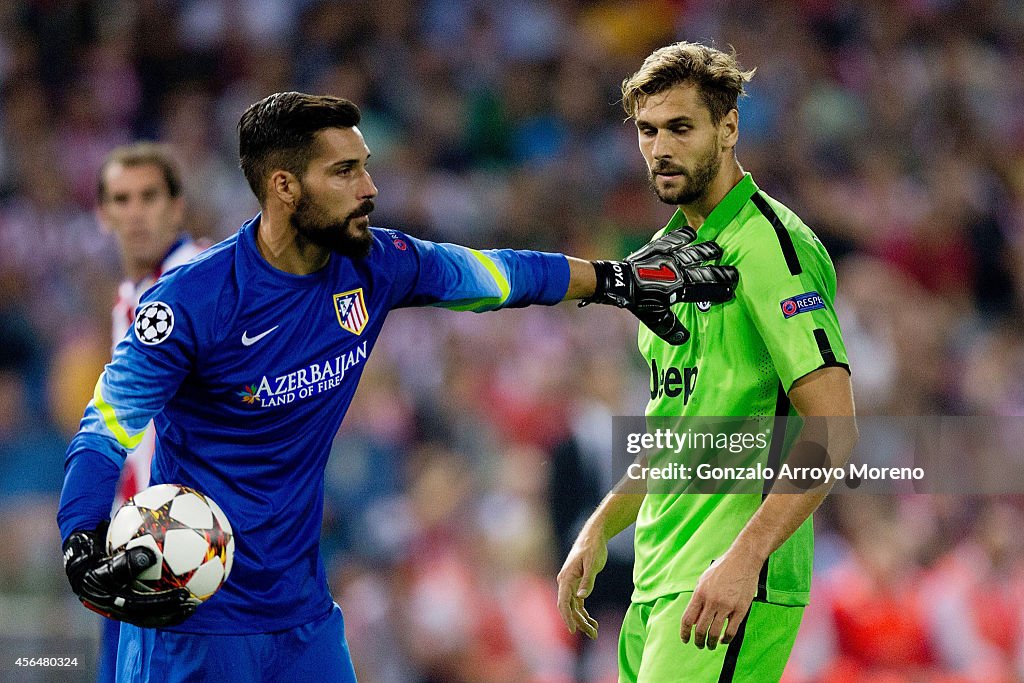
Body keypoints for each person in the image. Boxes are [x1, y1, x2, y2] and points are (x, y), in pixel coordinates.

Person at [57, 92, 739, 683]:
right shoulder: (190, 302)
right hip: (193, 620)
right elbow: (105, 428)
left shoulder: (378, 264)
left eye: (367, 167)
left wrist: (616, 282)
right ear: (285, 187)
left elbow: (499, 276)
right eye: (345, 171)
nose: (369, 188)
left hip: (301, 618)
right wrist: (79, 536)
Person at [556, 42, 858, 683]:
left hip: (726, 585)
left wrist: (744, 559)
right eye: (647, 130)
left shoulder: (775, 248)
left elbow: (832, 432)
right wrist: (601, 525)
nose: (660, 148)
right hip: (655, 578)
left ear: (728, 128)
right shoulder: (660, 259)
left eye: (680, 128)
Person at [93, 143, 207, 683]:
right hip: (137, 539)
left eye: (149, 197)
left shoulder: (200, 285)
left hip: (189, 539)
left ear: (177, 206)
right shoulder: (130, 300)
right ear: (104, 214)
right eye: (122, 199)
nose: (135, 212)